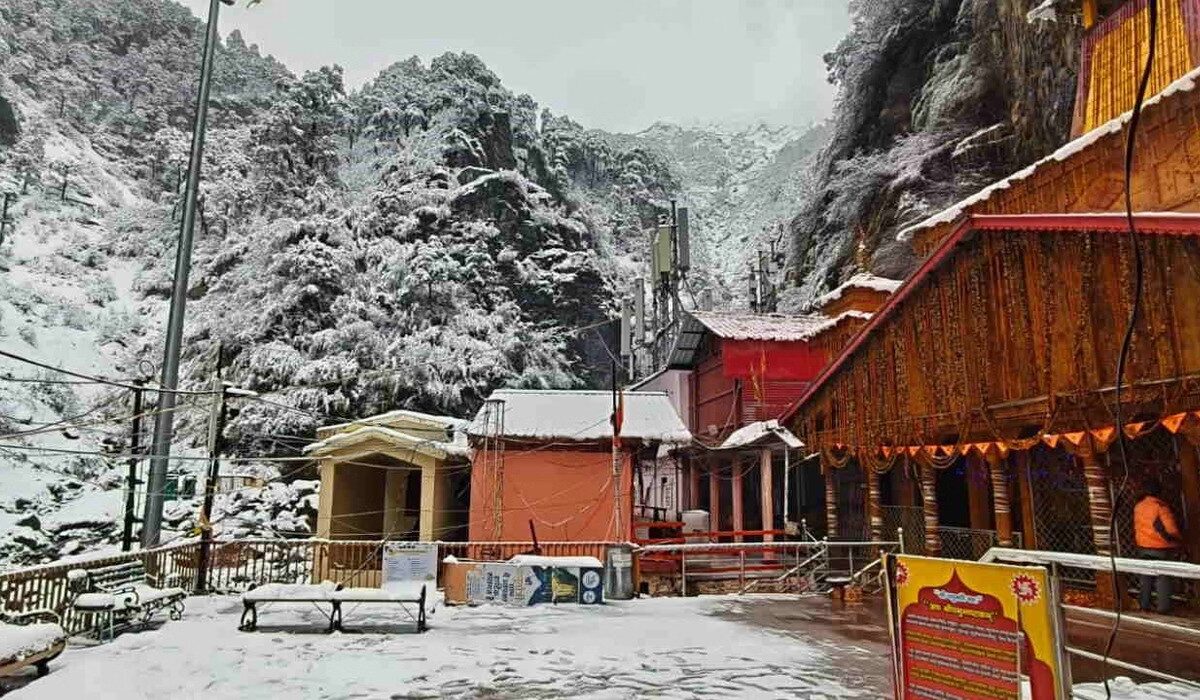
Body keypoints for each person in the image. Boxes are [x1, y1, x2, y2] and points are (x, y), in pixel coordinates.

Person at [1132, 479, 1184, 614]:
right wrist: (1178, 540)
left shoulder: (1139, 506)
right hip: (1161, 547)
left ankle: (1144, 605)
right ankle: (1163, 608)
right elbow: (1171, 529)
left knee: (1145, 576)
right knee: (1163, 577)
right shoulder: (1160, 507)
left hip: (1143, 546)